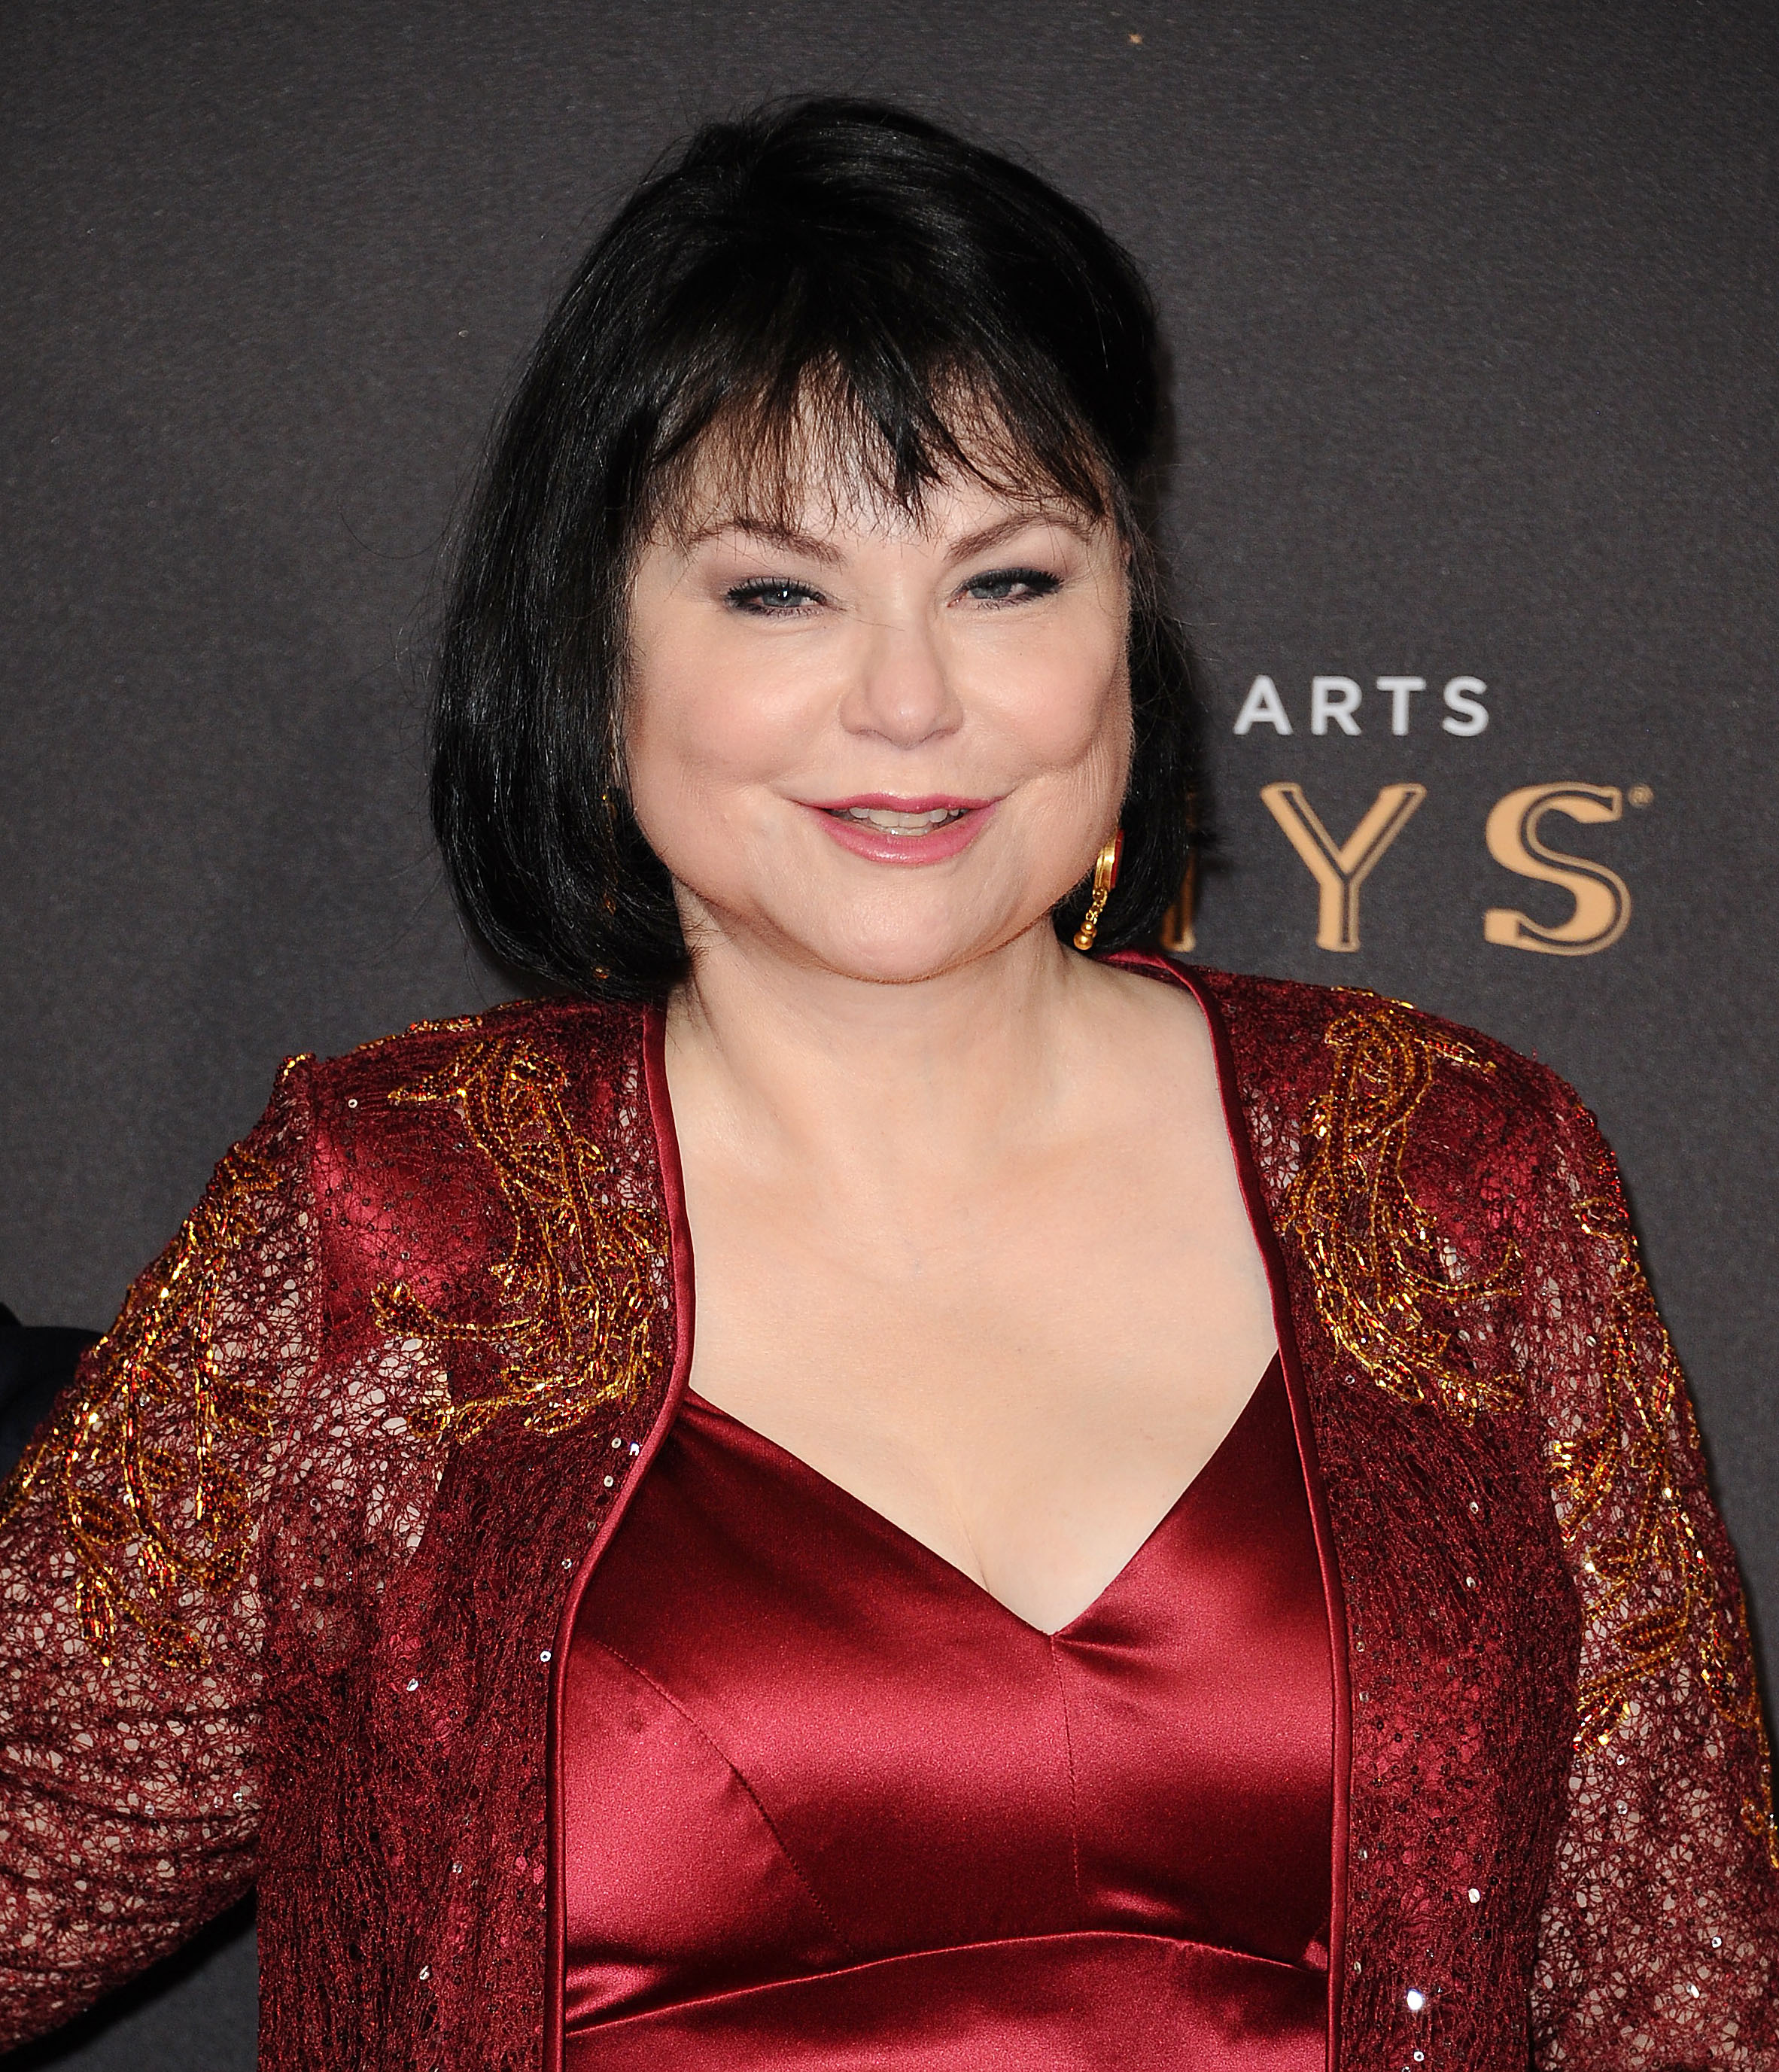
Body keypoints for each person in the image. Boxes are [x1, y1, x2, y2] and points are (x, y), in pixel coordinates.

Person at [1, 96, 1774, 2072]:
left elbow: (1673, 1967)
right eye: (777, 592)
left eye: (1008, 580)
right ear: (596, 654)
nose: (910, 700)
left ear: (1126, 624)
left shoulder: (1454, 1177)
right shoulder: (390, 1219)